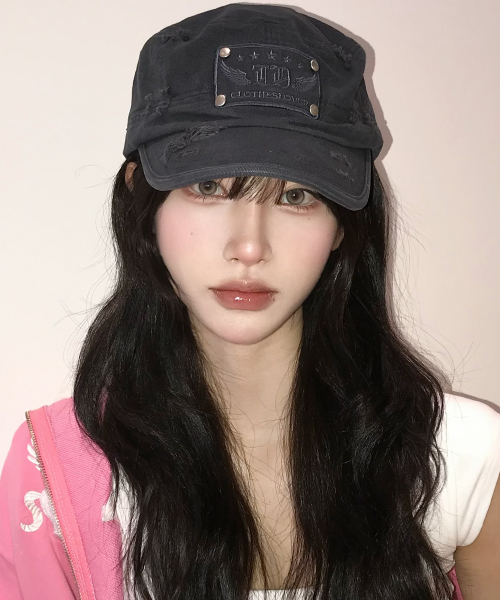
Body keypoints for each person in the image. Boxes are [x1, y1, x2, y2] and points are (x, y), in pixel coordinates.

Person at [1, 3, 499, 599]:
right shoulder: (56, 475)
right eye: (209, 186)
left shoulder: (460, 458)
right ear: (143, 201)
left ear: (345, 225)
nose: (249, 247)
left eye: (296, 196)